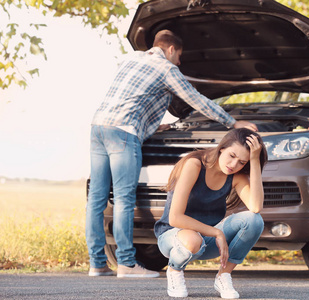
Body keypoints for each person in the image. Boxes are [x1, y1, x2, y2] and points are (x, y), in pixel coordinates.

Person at [86, 30, 258, 278]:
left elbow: (130, 99)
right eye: (179, 56)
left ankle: (97, 264)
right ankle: (125, 263)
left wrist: (152, 126)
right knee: (124, 198)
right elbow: (196, 99)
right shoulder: (166, 68)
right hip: (124, 132)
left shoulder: (131, 59)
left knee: (97, 199)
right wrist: (233, 123)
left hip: (99, 127)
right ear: (170, 49)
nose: (179, 62)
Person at [154, 128, 268, 298]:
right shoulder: (195, 165)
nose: (234, 165)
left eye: (242, 162)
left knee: (254, 220)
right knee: (193, 240)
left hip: (207, 241)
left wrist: (255, 161)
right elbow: (175, 217)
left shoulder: (235, 176)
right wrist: (217, 232)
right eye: (232, 156)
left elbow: (256, 206)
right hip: (173, 238)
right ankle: (174, 270)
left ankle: (224, 275)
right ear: (222, 148)